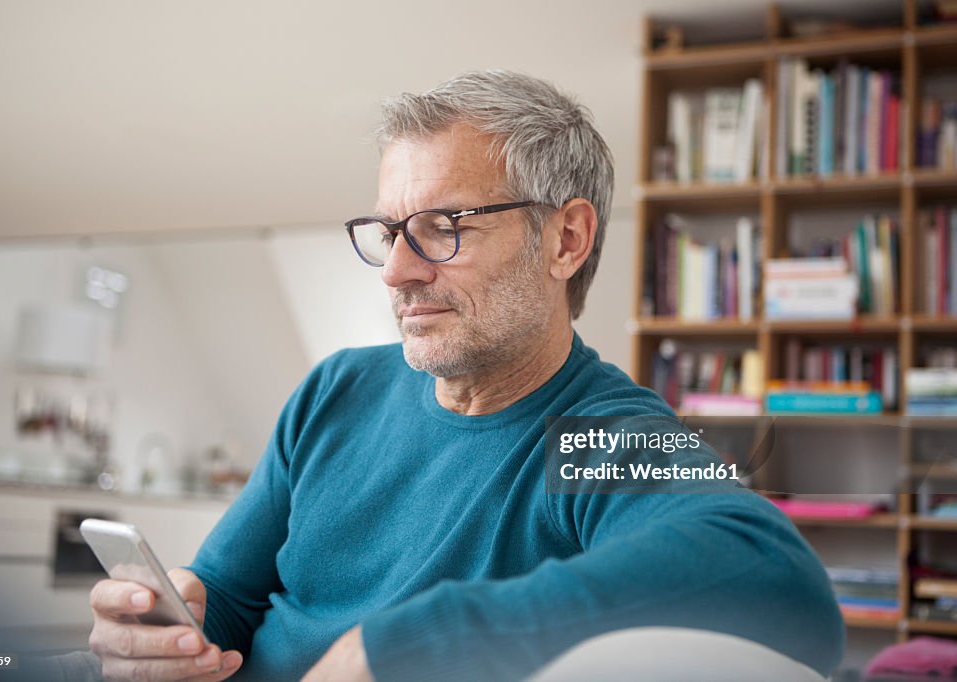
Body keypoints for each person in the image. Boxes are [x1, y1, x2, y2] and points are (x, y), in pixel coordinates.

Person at [86, 70, 844, 681]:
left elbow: (775, 579)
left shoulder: (597, 435)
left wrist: (406, 644)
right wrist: (164, 632)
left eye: (442, 229)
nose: (395, 272)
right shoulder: (336, 392)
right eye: (388, 233)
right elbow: (230, 596)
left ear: (566, 240)